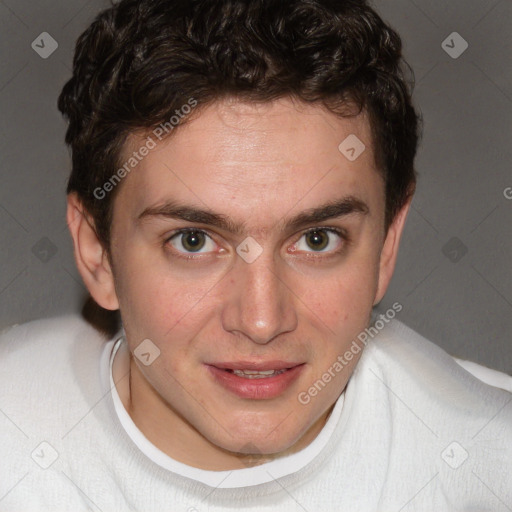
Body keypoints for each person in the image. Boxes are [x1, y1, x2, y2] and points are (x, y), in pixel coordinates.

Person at [1, 0, 511, 510]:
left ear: (386, 246)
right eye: (193, 241)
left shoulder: (489, 465)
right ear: (97, 253)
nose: (262, 321)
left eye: (317, 239)